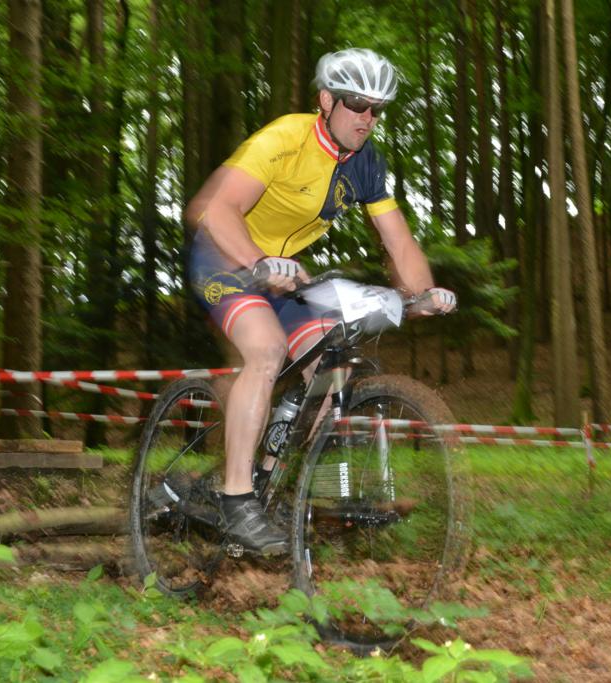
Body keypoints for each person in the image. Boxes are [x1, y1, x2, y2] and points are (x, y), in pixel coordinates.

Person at [184, 48, 456, 555]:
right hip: (224, 257)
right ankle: (236, 499)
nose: (368, 117)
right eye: (357, 104)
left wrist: (422, 294)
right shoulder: (284, 139)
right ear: (327, 100)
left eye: (378, 108)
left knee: (331, 373)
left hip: (284, 276)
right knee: (266, 350)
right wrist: (258, 261)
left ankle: (269, 483)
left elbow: (398, 241)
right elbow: (214, 209)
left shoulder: (365, 163)